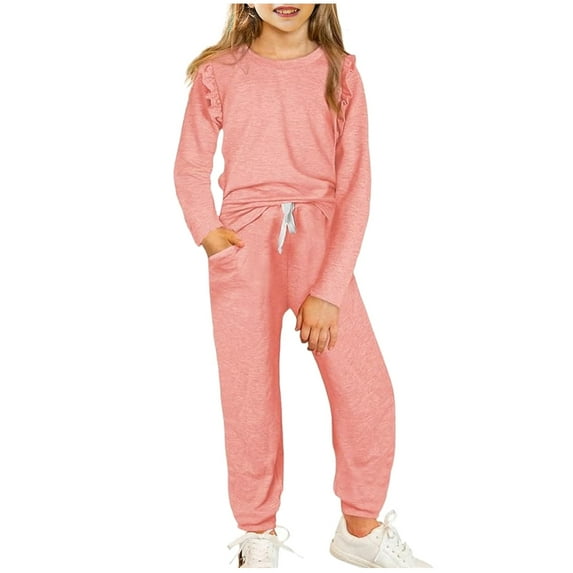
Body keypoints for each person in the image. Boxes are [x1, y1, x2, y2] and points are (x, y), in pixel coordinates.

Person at [174, 3, 431, 568]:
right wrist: (210, 235)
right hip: (244, 247)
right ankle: (257, 533)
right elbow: (190, 167)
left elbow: (356, 183)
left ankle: (359, 530)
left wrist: (329, 289)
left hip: (320, 244)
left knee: (367, 392)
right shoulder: (219, 71)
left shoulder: (341, 71)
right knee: (249, 394)